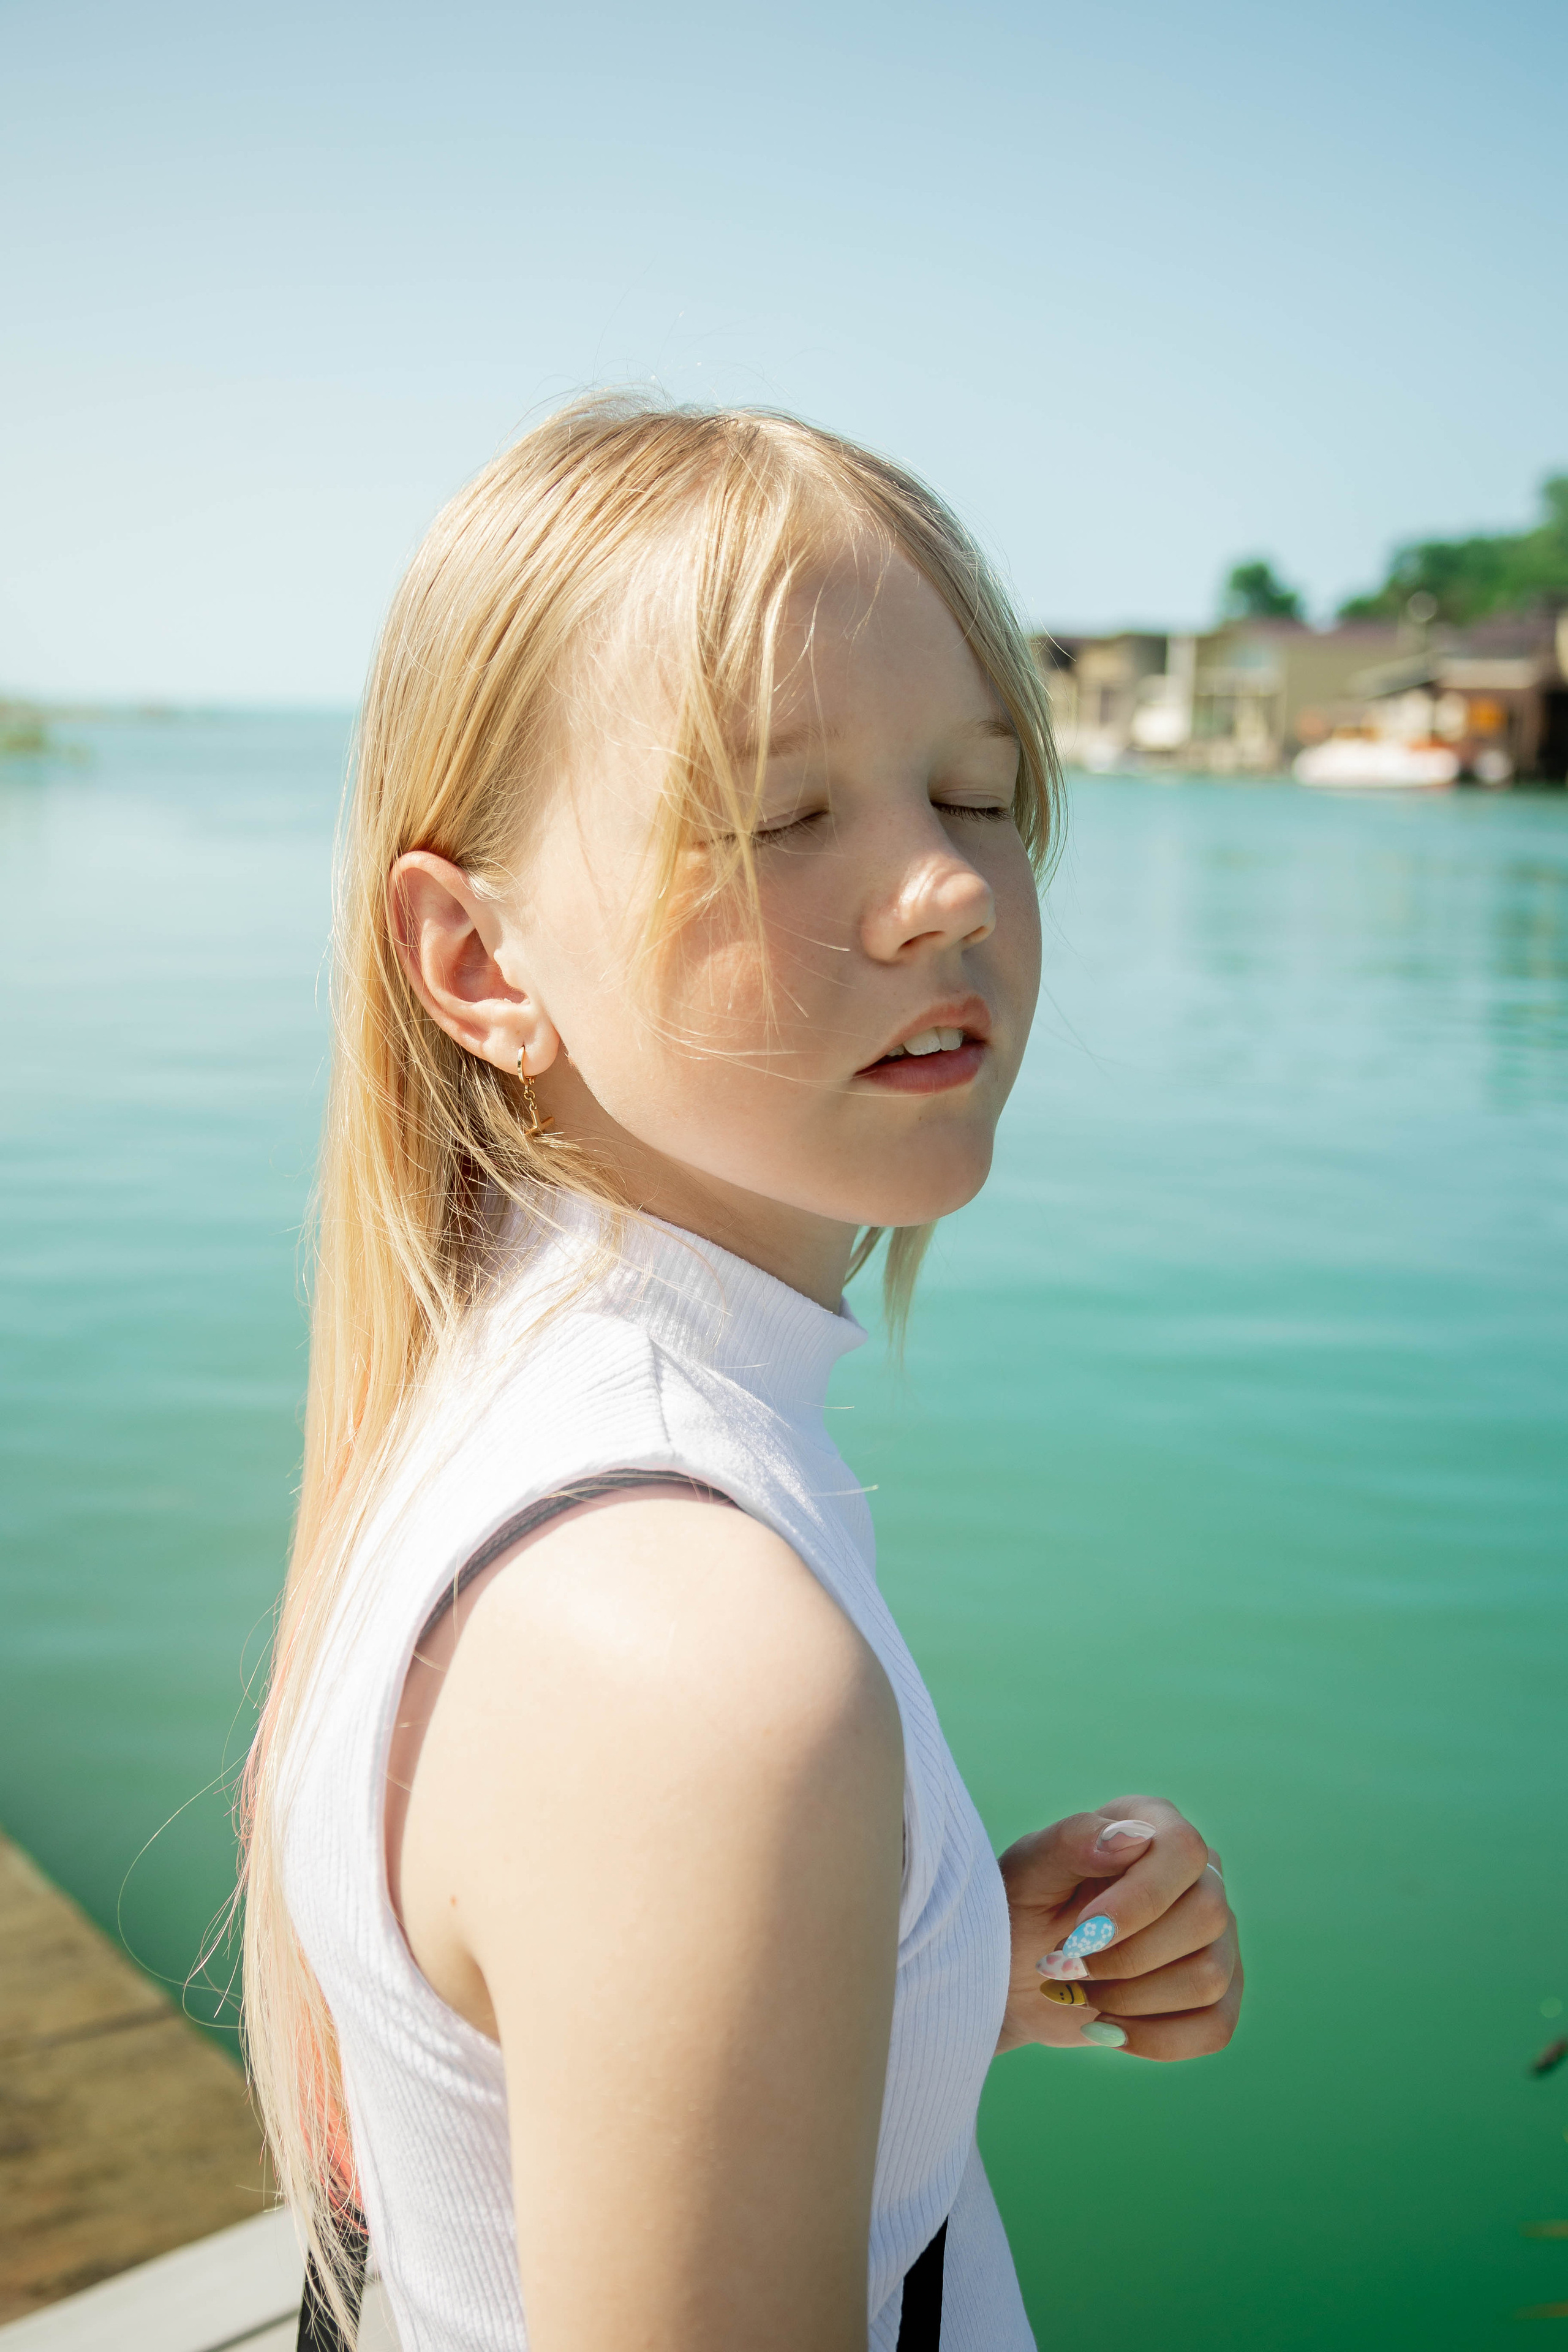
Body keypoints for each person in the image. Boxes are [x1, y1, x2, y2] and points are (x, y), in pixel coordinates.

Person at [240, 394, 1242, 2352]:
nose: (947, 889)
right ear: (476, 961)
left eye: (975, 796)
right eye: (785, 817)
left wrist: (925, 1969)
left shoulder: (507, 1384)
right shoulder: (691, 1665)